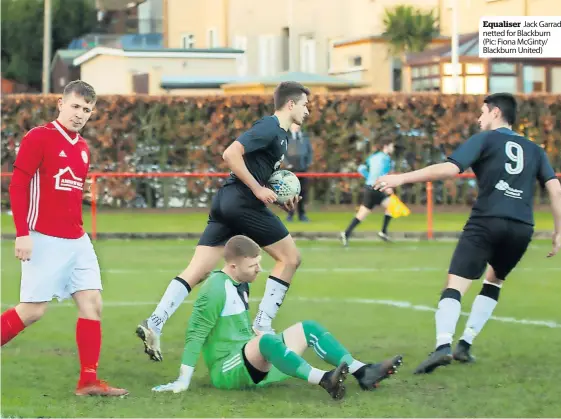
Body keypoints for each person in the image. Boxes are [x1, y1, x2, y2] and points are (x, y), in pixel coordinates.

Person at [374, 93, 561, 374]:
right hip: (522, 227)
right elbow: (556, 191)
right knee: (494, 281)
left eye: (483, 112)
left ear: (496, 113)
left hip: (487, 220)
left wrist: (401, 177)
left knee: (455, 285)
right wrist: (559, 232)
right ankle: (465, 344)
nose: (479, 118)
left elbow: (450, 169)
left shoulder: (485, 139)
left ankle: (442, 346)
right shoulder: (535, 149)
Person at [137, 82, 310, 362]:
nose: (308, 111)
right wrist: (256, 189)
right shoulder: (270, 127)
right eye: (305, 104)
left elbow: (260, 173)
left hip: (227, 202)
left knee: (197, 270)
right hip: (242, 202)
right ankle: (262, 325)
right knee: (290, 259)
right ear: (290, 105)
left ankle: (154, 322)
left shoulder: (282, 136)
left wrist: (279, 198)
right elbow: (230, 154)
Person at [151, 235, 403, 399]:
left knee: (308, 328)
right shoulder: (215, 288)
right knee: (265, 342)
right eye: (254, 266)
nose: (260, 270)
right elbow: (195, 335)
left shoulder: (240, 281)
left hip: (247, 360)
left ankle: (363, 372)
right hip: (226, 370)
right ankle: (325, 379)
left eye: (259, 263)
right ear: (233, 267)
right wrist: (183, 380)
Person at [1, 80, 128, 396]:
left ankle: (88, 382)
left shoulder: (83, 148)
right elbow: (18, 186)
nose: (80, 114)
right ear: (61, 103)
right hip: (43, 238)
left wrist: (81, 194)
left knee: (92, 303)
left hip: (78, 240)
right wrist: (22, 234)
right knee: (32, 311)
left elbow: (64, 186)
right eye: (75, 106)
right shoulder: (39, 137)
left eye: (86, 110)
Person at [341, 138, 396, 245]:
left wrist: (369, 179)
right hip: (376, 189)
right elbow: (383, 174)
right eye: (391, 146)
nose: (393, 148)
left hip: (370, 188)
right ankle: (382, 231)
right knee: (390, 206)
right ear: (386, 146)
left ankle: (347, 233)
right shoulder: (385, 159)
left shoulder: (373, 157)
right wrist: (386, 185)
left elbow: (361, 169)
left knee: (364, 213)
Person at [284, 122, 313, 222]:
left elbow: (309, 151)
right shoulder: (287, 138)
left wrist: (308, 163)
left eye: (298, 125)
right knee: (291, 192)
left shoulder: (304, 137)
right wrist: (287, 164)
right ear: (291, 126)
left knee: (302, 193)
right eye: (294, 125)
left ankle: (302, 215)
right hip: (292, 169)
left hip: (303, 169)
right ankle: (290, 214)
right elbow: (283, 152)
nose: (296, 127)